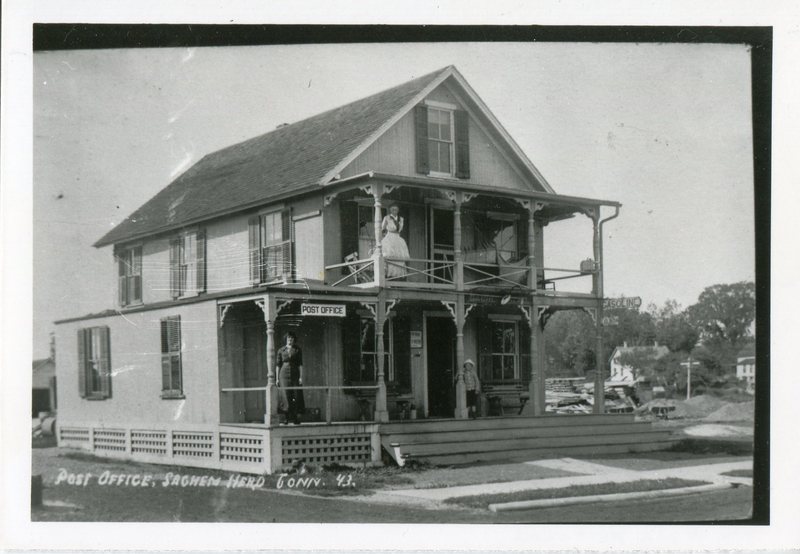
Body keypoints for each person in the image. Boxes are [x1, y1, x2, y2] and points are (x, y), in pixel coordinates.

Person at [276, 332, 305, 424]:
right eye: (288, 338)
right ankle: (286, 418)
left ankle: (295, 418)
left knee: (295, 395)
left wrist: (301, 377)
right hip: (283, 375)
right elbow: (278, 365)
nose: (290, 340)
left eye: (292, 338)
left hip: (295, 374)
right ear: (286, 339)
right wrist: (277, 378)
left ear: (294, 340)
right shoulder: (281, 350)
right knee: (285, 395)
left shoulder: (297, 350)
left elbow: (300, 364)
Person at [380, 204, 410, 278]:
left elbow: (400, 228)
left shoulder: (401, 219)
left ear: (398, 210)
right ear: (390, 210)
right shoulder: (387, 218)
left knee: (399, 257)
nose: (394, 211)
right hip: (389, 236)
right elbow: (382, 229)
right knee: (389, 254)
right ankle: (388, 273)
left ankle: (397, 275)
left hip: (398, 237)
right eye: (393, 209)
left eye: (396, 209)